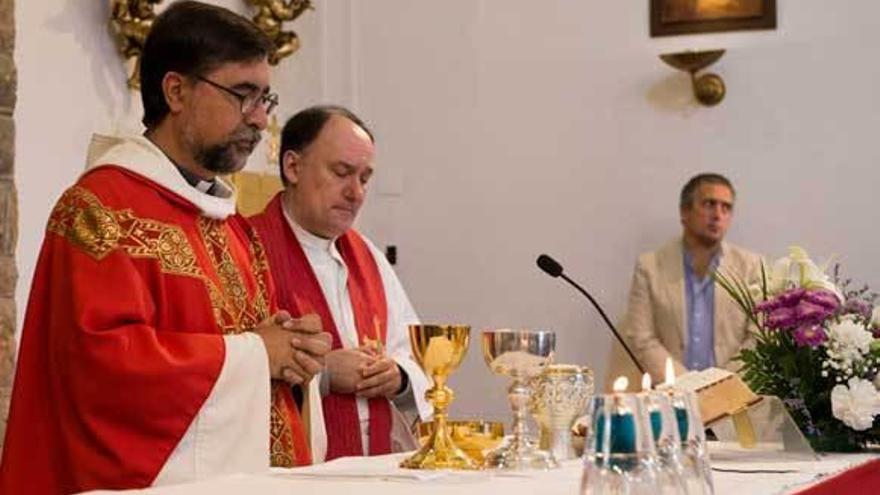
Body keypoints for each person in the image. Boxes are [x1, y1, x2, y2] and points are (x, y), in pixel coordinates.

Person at [0, 2, 331, 493]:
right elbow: (102, 371)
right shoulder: (102, 212)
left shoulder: (228, 222)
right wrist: (256, 354)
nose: (261, 120)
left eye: (266, 99)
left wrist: (292, 352)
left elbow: (249, 344)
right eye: (243, 95)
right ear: (176, 91)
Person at [249, 106, 431, 462]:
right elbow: (229, 373)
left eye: (365, 178)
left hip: (375, 471)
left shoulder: (369, 259)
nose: (356, 193)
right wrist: (324, 375)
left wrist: (399, 377)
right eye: (342, 172)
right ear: (292, 167)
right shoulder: (246, 248)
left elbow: (412, 353)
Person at [619, 173, 762, 383]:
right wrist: (687, 387)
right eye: (709, 204)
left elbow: (757, 337)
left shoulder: (751, 267)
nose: (717, 215)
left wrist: (722, 385)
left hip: (734, 395)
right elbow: (642, 338)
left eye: (726, 208)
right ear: (684, 211)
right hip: (672, 395)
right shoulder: (650, 267)